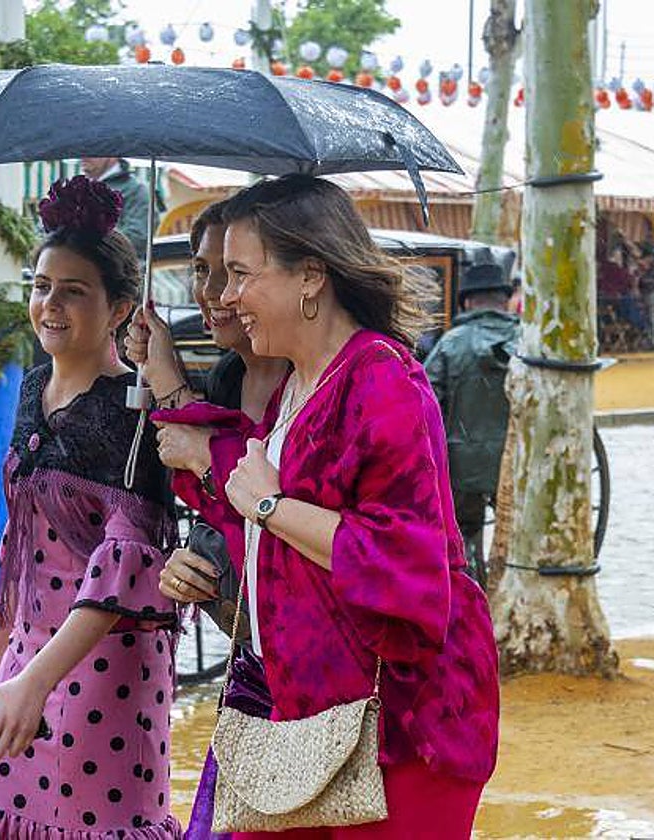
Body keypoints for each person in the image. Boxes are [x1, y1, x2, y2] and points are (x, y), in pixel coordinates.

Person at [215, 175, 499, 838]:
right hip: (308, 713)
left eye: (239, 274)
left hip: (405, 723)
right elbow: (281, 558)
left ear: (310, 275)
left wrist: (268, 505)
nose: (226, 299)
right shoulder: (293, 383)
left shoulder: (381, 377)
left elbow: (407, 562)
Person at [0, 175, 182, 839]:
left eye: (74, 291)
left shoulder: (133, 412)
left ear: (121, 306)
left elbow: (127, 568)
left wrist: (38, 679)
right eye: (42, 286)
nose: (51, 304)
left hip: (105, 667)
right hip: (27, 656)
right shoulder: (34, 387)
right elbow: (23, 540)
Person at [125, 198, 289, 838]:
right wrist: (197, 566)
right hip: (251, 667)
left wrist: (171, 389)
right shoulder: (226, 377)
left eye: (235, 272)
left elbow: (274, 513)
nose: (215, 293)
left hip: (320, 685)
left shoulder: (319, 383)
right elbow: (222, 520)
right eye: (202, 270)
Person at [424, 262, 520, 586]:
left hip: (460, 467)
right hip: (516, 466)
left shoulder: (451, 344)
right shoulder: (528, 344)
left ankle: (471, 590)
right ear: (505, 300)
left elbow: (424, 402)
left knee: (465, 530)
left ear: (467, 302)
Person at [80, 157, 159, 256]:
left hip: (114, 268)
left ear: (112, 156)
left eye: (92, 150)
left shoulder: (136, 190)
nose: (84, 157)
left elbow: (138, 238)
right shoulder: (80, 189)